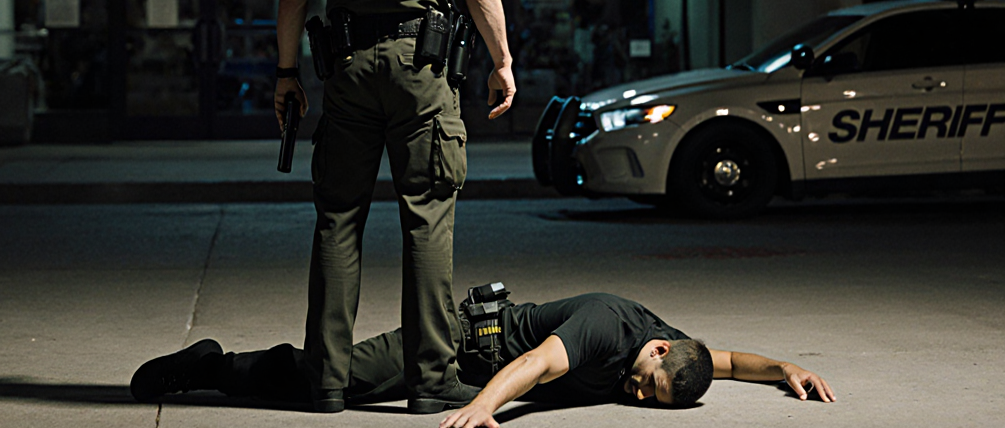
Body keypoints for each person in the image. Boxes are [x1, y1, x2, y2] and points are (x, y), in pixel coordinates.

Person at [272, 0, 515, 414]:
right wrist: (502, 61)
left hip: (348, 68)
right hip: (422, 70)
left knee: (337, 220)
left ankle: (326, 381)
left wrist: (286, 72)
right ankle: (431, 381)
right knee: (426, 219)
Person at [128, 290, 837, 425]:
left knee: (340, 387)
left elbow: (728, 360)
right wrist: (483, 408)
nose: (637, 394)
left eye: (649, 399)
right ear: (652, 350)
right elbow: (535, 368)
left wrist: (785, 370)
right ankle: (214, 366)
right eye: (646, 385)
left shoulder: (675, 349)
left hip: (471, 373)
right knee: (333, 382)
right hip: (457, 345)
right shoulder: (606, 327)